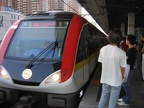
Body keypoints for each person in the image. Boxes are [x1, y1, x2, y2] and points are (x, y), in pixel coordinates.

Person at [98, 29, 127, 108]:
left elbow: (102, 62)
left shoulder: (102, 49)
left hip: (105, 79)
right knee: (113, 101)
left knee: (103, 97)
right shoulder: (122, 53)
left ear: (109, 38)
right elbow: (122, 68)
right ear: (119, 39)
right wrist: (121, 77)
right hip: (116, 81)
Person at [118, 34, 137, 106]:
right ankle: (124, 98)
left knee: (126, 85)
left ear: (128, 41)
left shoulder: (130, 50)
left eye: (126, 39)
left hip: (128, 70)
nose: (125, 41)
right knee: (125, 84)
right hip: (130, 70)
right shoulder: (132, 49)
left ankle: (126, 100)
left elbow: (124, 60)